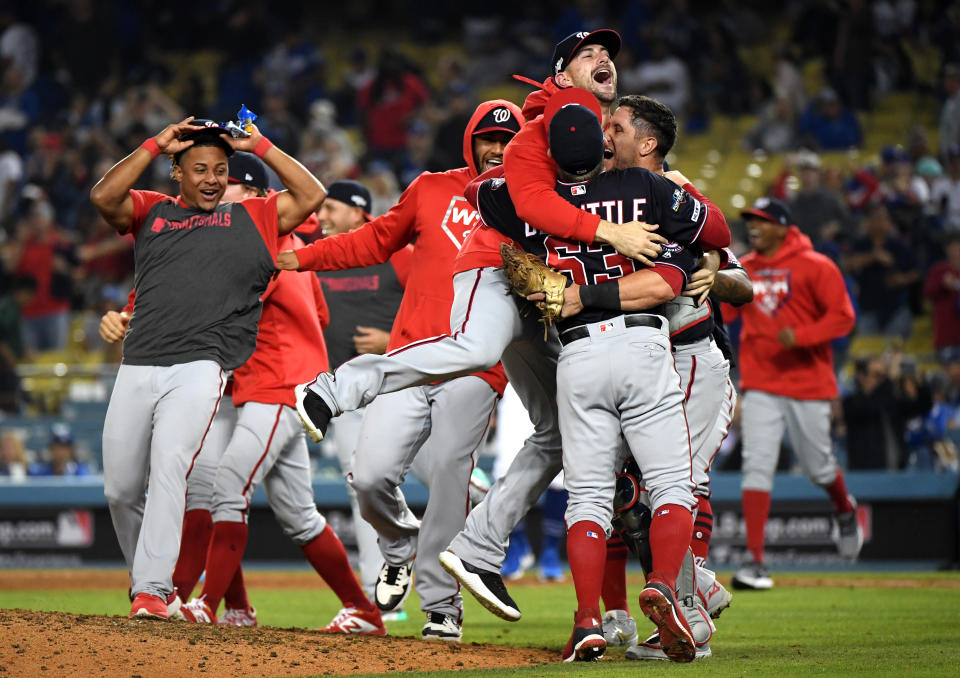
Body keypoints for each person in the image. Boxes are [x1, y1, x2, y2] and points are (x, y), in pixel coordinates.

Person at [282, 100, 523, 642]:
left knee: (448, 483)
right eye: (487, 138)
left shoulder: (534, 203)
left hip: (475, 371)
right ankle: (396, 544)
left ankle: (441, 607)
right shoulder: (433, 188)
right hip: (410, 358)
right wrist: (308, 256)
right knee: (369, 476)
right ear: (470, 142)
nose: (497, 149)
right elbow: (375, 238)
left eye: (509, 141)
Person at [90, 115, 324, 620]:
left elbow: (310, 193)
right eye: (199, 168)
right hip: (139, 361)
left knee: (171, 465)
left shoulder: (253, 218)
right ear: (176, 172)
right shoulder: (152, 211)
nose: (213, 178)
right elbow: (104, 197)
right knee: (120, 489)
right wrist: (153, 144)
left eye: (221, 168)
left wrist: (261, 146)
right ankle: (152, 590)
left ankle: (153, 589)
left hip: (201, 366)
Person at [724, 197, 861, 591]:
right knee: (756, 465)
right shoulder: (744, 268)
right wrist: (718, 283)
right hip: (762, 381)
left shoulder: (817, 265)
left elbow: (843, 317)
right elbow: (730, 314)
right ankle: (755, 560)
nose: (754, 226)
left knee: (819, 467)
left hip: (808, 383)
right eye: (751, 220)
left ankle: (842, 507)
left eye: (763, 221)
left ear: (784, 226)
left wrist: (801, 336)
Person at [314, 179, 413, 619]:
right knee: (362, 489)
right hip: (346, 399)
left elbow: (440, 307)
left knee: (437, 479)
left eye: (331, 208)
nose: (321, 217)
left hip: (401, 388)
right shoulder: (318, 261)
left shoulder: (396, 254)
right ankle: (382, 595)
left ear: (359, 212)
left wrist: (391, 339)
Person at [924, 233, 960, 358]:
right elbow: (927, 293)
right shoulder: (940, 271)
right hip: (946, 335)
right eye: (952, 248)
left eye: (958, 248)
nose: (955, 252)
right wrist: (942, 284)